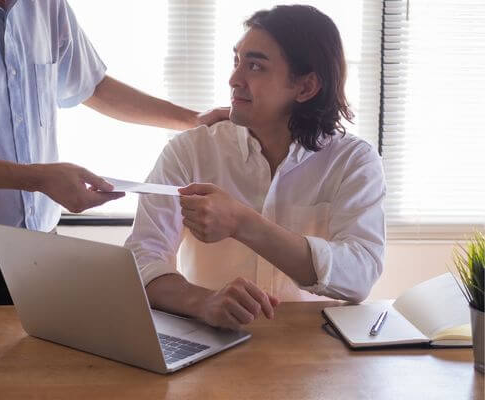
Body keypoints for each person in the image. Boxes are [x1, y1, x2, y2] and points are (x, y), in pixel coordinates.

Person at [0, 0, 227, 361]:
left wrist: (192, 120)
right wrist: (36, 179)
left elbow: (92, 86)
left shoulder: (46, 6)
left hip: (40, 257)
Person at [125, 5, 386, 331]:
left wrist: (243, 223)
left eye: (255, 66)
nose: (234, 79)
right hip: (210, 345)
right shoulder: (190, 151)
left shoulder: (354, 162)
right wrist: (203, 302)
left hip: (317, 352)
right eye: (236, 61)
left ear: (305, 87)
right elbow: (141, 257)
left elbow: (360, 275)